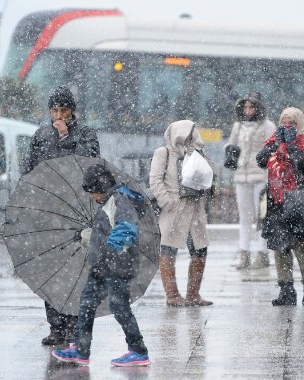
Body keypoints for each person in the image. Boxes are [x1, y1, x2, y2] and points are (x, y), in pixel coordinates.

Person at [51, 164, 150, 367]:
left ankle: (138, 350)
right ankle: (81, 349)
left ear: (100, 188)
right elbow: (107, 230)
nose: (91, 197)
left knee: (119, 306)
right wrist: (87, 237)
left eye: (91, 192)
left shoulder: (119, 200)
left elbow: (126, 229)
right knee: (86, 304)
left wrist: (110, 249)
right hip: (102, 266)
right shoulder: (108, 202)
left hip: (117, 266)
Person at [25, 85, 100, 346]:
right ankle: (55, 326)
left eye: (63, 110)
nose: (58, 115)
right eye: (54, 110)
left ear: (72, 111)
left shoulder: (86, 134)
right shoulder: (41, 134)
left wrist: (67, 137)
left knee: (74, 270)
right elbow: (30, 169)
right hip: (48, 211)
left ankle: (73, 326)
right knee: (50, 270)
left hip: (75, 211)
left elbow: (91, 164)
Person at [256, 107, 304, 307]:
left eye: (292, 123)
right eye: (284, 122)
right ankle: (286, 290)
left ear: (300, 123)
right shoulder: (275, 141)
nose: (287, 126)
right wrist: (277, 142)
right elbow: (260, 160)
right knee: (280, 246)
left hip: (301, 201)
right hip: (278, 201)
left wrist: (293, 144)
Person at [149, 120, 214, 307]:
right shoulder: (164, 153)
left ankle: (193, 294)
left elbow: (208, 176)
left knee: (200, 251)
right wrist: (167, 202)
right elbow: (155, 180)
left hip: (195, 209)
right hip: (174, 210)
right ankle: (172, 295)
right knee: (168, 251)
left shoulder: (198, 153)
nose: (189, 138)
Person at [225, 92, 276, 270]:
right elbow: (231, 145)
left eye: (251, 106)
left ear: (258, 107)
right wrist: (231, 153)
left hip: (261, 175)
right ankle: (244, 254)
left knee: (262, 216)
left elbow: (273, 149)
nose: (248, 110)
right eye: (245, 107)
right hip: (241, 175)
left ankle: (262, 254)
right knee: (244, 217)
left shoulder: (267, 126)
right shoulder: (238, 126)